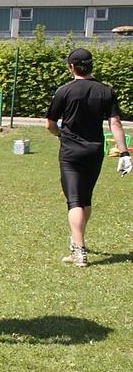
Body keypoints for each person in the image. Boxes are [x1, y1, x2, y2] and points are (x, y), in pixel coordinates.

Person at [45, 47, 130, 267]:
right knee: (86, 198)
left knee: (74, 200)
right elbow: (115, 124)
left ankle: (79, 251)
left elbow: (50, 124)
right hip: (94, 151)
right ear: (91, 66)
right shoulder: (106, 91)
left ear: (71, 66)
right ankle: (77, 241)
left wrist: (60, 134)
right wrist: (124, 153)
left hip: (71, 151)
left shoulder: (64, 91)